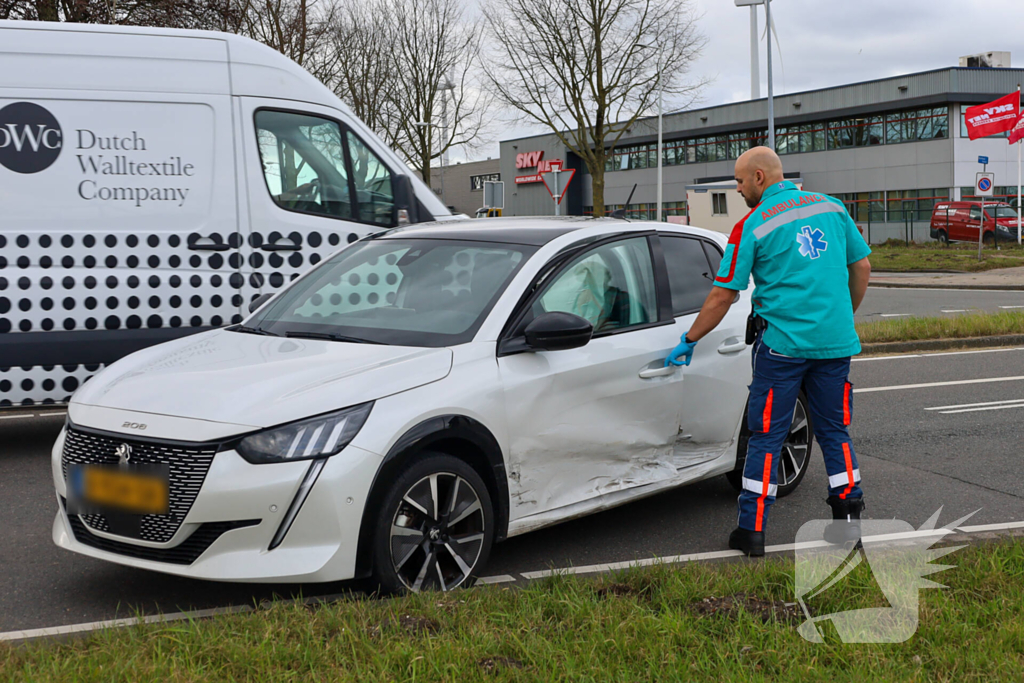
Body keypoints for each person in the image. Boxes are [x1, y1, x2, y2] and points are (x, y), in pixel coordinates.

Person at [665, 147, 872, 557]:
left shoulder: (753, 225)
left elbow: (724, 293)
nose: (738, 189)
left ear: (759, 177)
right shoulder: (832, 209)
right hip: (834, 345)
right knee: (835, 432)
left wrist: (689, 339)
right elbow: (862, 268)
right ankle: (848, 527)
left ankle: (752, 531)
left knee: (766, 436)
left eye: (740, 181)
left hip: (782, 350)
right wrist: (842, 315)